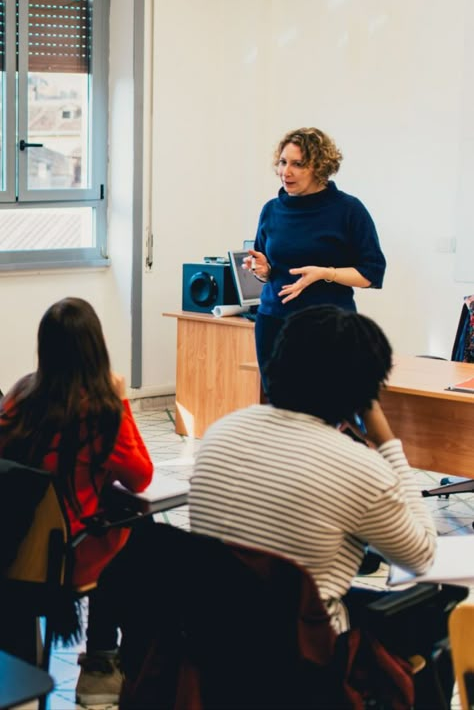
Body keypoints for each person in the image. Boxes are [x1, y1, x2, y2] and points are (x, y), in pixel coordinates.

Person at [189, 304, 464, 707]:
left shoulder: (221, 431)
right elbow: (421, 555)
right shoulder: (358, 467)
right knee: (441, 605)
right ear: (364, 392)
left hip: (215, 635)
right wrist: (388, 443)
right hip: (306, 656)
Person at [0, 297, 154, 705]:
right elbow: (142, 477)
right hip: (66, 556)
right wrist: (121, 400)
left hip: (15, 549)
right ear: (96, 348)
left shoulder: (19, 395)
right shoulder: (101, 410)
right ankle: (104, 662)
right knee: (141, 533)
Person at [243, 126, 386, 391]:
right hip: (273, 322)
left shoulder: (348, 210)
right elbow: (268, 269)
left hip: (327, 326)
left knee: (323, 407)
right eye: (283, 162)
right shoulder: (272, 210)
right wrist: (261, 270)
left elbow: (372, 273)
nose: (286, 172)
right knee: (280, 407)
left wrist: (325, 273)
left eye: (298, 164)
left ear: (319, 167)